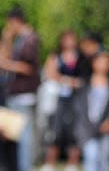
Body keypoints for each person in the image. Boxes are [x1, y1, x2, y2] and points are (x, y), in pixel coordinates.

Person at [0, 6, 40, 171]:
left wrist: (6, 65)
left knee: (23, 134)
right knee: (16, 133)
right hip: (17, 93)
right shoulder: (20, 40)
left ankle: (24, 166)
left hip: (23, 93)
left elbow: (28, 67)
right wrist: (7, 40)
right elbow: (5, 56)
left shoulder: (29, 40)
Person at [40, 30, 83, 171]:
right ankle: (50, 163)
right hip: (58, 99)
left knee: (74, 132)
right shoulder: (55, 56)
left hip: (75, 99)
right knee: (55, 130)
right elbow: (50, 74)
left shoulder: (80, 57)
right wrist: (68, 81)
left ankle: (72, 163)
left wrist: (68, 81)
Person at [73, 52, 109, 171]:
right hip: (87, 126)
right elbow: (80, 106)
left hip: (106, 127)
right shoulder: (85, 82)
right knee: (91, 156)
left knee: (104, 159)